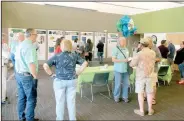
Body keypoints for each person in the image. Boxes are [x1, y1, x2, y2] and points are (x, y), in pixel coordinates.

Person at [43, 39, 88, 120]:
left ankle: (60, 119)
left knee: (60, 102)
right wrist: (78, 72)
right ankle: (72, 119)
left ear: (61, 46)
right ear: (70, 46)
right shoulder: (74, 55)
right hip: (72, 81)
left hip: (59, 81)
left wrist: (51, 74)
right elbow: (85, 63)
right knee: (71, 102)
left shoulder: (57, 56)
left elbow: (45, 66)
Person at [15, 28, 39, 121]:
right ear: (31, 35)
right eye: (36, 35)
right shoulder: (30, 47)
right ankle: (29, 119)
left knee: (22, 98)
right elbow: (31, 64)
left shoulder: (21, 45)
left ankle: (22, 118)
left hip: (19, 75)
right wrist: (35, 77)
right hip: (27, 77)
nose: (36, 36)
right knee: (31, 99)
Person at [130, 37, 156, 116]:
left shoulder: (139, 53)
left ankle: (141, 111)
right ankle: (150, 109)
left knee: (140, 93)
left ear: (141, 44)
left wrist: (136, 51)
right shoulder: (153, 52)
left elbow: (132, 64)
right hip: (150, 75)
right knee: (149, 92)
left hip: (141, 76)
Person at [112, 37, 130, 103]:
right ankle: (116, 96)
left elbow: (127, 58)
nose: (124, 42)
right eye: (123, 41)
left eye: (125, 41)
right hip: (118, 69)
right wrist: (123, 60)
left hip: (126, 69)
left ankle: (125, 97)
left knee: (126, 84)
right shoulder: (115, 49)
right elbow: (113, 59)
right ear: (119, 42)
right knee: (118, 84)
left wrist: (129, 59)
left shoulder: (126, 49)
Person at [146, 37, 161, 105]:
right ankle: (145, 96)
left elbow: (159, 58)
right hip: (145, 70)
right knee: (145, 84)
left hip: (153, 69)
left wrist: (152, 60)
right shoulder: (144, 48)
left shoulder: (155, 48)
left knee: (153, 85)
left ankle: (153, 98)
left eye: (148, 42)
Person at [2, 33, 10, 104]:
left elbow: (8, 55)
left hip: (3, 66)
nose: (3, 39)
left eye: (3, 38)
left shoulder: (5, 45)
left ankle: (3, 98)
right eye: (2, 37)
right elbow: (6, 54)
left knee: (3, 82)